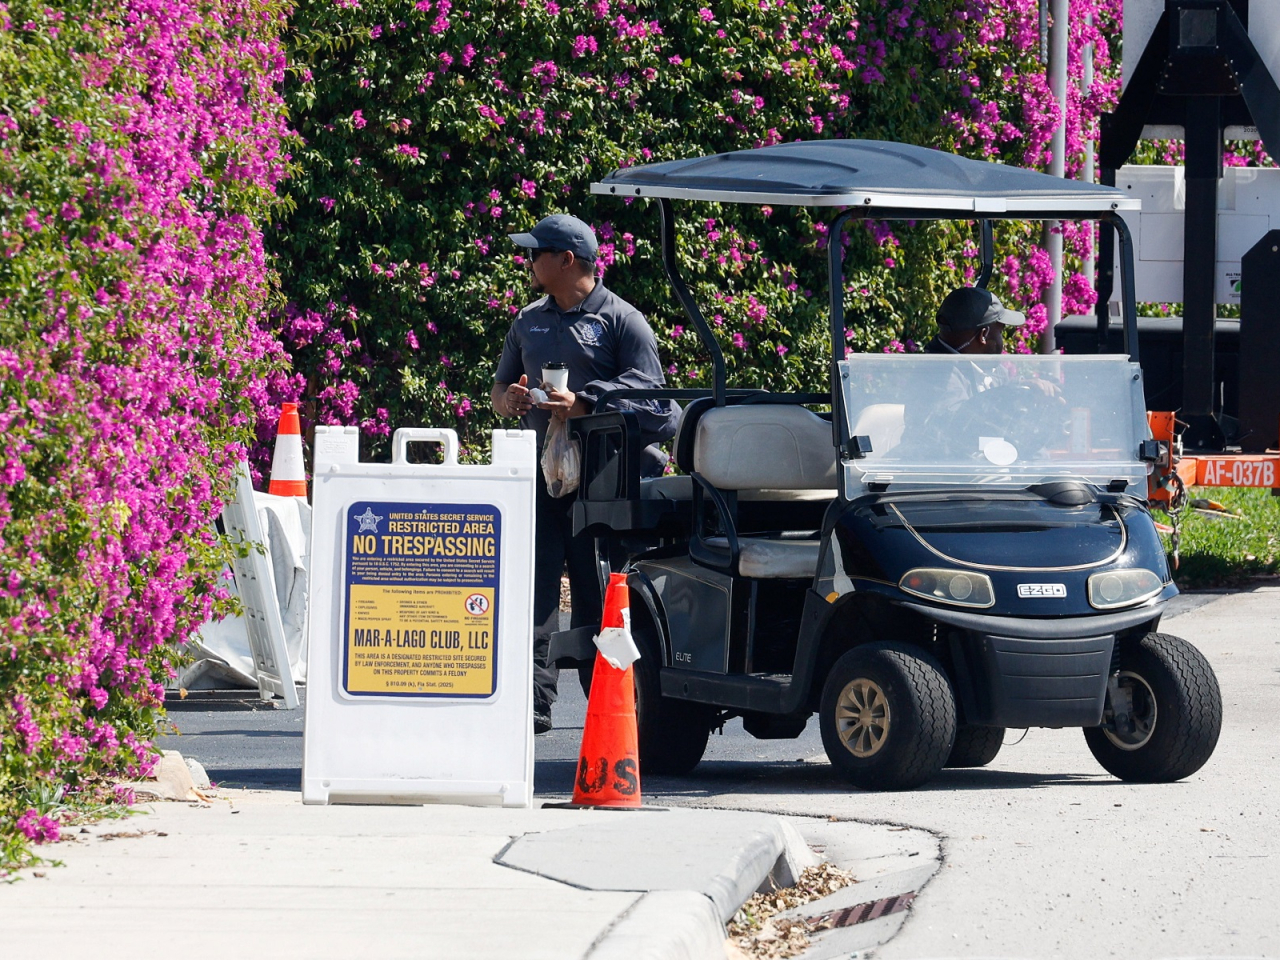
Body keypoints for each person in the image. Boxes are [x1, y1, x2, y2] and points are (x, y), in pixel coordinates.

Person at [491, 213, 679, 734]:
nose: (528, 261)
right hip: (544, 479)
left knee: (600, 592)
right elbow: (499, 387)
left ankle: (608, 699)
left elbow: (661, 407)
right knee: (537, 588)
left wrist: (585, 404)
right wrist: (506, 400)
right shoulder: (528, 319)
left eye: (536, 252)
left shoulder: (622, 321)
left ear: (565, 260)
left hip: (605, 482)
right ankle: (534, 701)